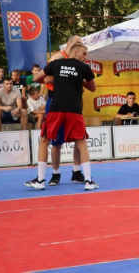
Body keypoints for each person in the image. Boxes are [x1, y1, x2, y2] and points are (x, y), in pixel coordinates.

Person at [24, 43, 99, 190]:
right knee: (81, 142)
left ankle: (40, 180)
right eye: (84, 54)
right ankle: (89, 181)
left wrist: (51, 79)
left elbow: (36, 78)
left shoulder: (56, 63)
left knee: (45, 140)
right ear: (75, 52)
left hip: (56, 108)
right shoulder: (84, 68)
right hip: (74, 109)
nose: (86, 57)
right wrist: (78, 79)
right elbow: (92, 88)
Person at [42, 35, 84, 186]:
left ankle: (77, 171)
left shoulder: (78, 60)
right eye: (78, 43)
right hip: (57, 102)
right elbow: (46, 79)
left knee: (79, 139)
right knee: (56, 140)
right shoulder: (59, 57)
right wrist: (66, 77)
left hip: (74, 102)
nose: (80, 46)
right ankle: (55, 174)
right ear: (70, 44)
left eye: (81, 43)